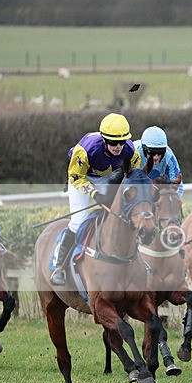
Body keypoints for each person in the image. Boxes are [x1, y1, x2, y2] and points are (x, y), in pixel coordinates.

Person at [49, 113, 141, 286]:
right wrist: (94, 193)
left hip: (108, 177)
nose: (118, 147)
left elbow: (132, 176)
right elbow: (76, 177)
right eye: (113, 142)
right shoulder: (86, 149)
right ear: (104, 139)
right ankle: (59, 267)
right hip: (83, 178)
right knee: (78, 221)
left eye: (122, 142)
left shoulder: (131, 151)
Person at [135, 125, 183, 197]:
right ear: (144, 149)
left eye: (161, 152)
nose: (156, 157)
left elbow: (178, 188)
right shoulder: (134, 153)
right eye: (152, 153)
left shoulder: (169, 158)